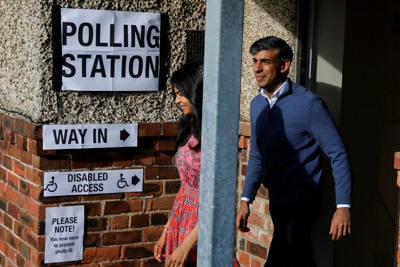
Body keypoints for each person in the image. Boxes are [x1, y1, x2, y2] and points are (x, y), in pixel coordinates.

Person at [235, 36, 352, 267]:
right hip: (278, 198)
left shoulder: (309, 104)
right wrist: (246, 200)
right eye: (255, 61)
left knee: (282, 255)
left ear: (284, 65)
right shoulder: (257, 105)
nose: (257, 68)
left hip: (303, 200)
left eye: (265, 62)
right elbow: (257, 154)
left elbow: (338, 153)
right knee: (299, 257)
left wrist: (343, 207)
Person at [153, 60, 203, 267]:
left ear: (196, 92)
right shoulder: (189, 128)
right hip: (182, 219)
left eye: (181, 94)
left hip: (201, 227)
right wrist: (167, 230)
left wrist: (186, 246)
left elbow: (217, 202)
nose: (176, 100)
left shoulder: (215, 136)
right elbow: (184, 188)